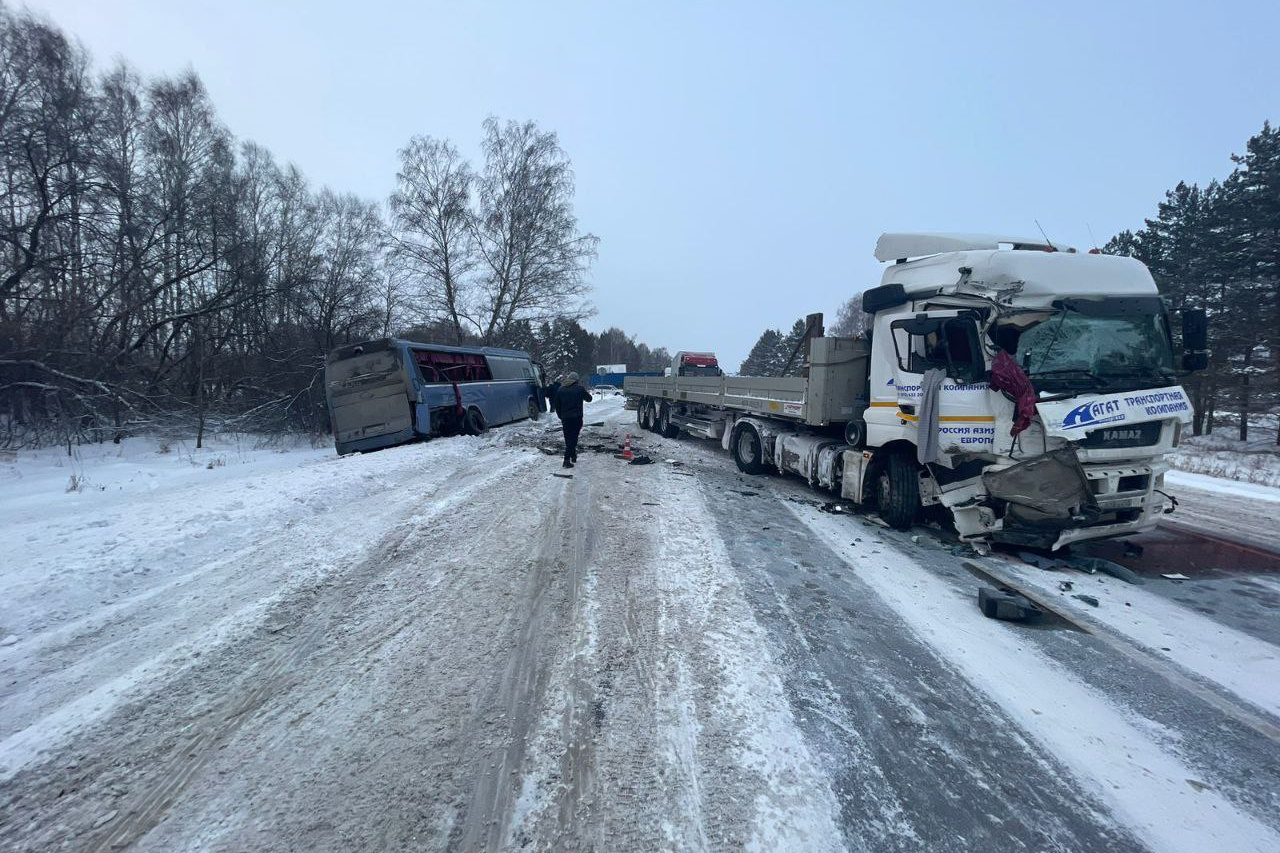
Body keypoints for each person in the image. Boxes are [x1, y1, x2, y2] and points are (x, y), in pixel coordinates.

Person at [553, 372, 592, 468]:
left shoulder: (560, 389)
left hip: (565, 418)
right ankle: (566, 459)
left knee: (568, 437)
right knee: (574, 438)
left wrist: (560, 416)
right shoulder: (580, 389)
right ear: (576, 381)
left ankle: (573, 455)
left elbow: (557, 405)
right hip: (577, 418)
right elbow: (589, 399)